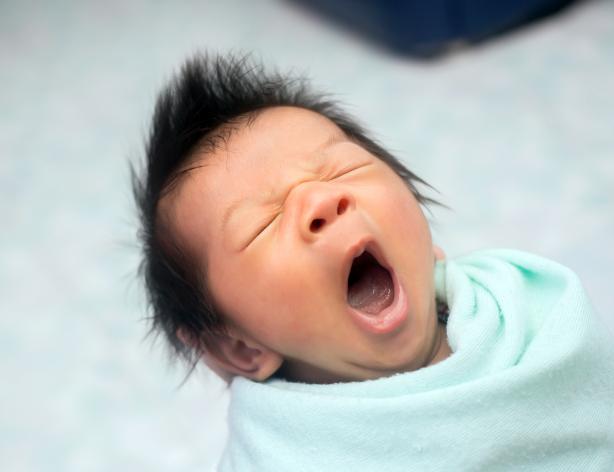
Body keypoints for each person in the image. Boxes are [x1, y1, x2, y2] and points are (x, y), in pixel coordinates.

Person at [133, 52, 614, 471]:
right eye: (263, 224)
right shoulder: (281, 458)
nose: (322, 202)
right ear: (239, 348)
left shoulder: (534, 314)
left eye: (343, 169)